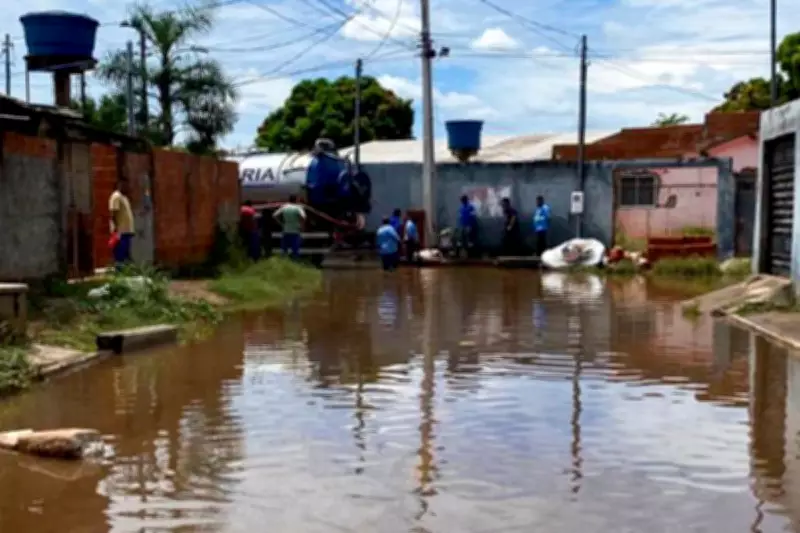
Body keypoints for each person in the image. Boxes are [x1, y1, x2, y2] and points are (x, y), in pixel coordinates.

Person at [109, 177, 135, 269]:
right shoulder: (116, 196)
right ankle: (119, 271)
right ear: (119, 184)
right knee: (120, 253)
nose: (126, 187)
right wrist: (116, 229)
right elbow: (113, 213)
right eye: (124, 184)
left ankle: (126, 271)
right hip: (120, 231)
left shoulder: (124, 197)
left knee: (126, 253)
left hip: (126, 230)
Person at [273, 194, 306, 259]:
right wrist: (302, 226)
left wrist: (281, 223)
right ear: (296, 200)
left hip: (286, 230)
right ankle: (295, 264)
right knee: (295, 251)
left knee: (284, 250)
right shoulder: (298, 207)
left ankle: (284, 264)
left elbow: (274, 215)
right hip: (295, 231)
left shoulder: (284, 206)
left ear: (289, 200)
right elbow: (304, 217)